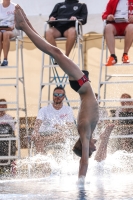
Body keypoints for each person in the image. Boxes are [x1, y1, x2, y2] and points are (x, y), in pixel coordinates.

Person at [14, 5, 99, 183]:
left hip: (82, 84)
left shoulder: (84, 133)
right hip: (82, 85)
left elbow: (83, 161)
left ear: (85, 147)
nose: (95, 146)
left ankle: (23, 26)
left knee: (54, 51)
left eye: (92, 148)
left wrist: (81, 181)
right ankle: (26, 24)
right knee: (55, 52)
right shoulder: (87, 134)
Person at [32, 86, 75, 154]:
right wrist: (36, 132)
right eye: (55, 94)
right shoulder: (44, 109)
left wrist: (61, 127)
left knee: (63, 135)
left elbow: (70, 126)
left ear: (63, 97)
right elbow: (38, 123)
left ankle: (44, 142)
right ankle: (43, 161)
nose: (57, 97)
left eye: (60, 95)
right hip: (45, 133)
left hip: (58, 134)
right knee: (36, 136)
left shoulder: (68, 109)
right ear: (53, 95)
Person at [102, 0, 133, 66]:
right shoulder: (112, 1)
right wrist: (108, 17)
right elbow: (104, 14)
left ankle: (125, 54)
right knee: (107, 27)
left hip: (128, 24)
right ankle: (113, 56)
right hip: (115, 24)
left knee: (132, 27)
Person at [0, 0, 20, 66]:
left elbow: (19, 21)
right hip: (1, 28)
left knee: (6, 34)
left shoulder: (15, 7)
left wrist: (12, 27)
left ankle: (5, 59)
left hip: (13, 29)